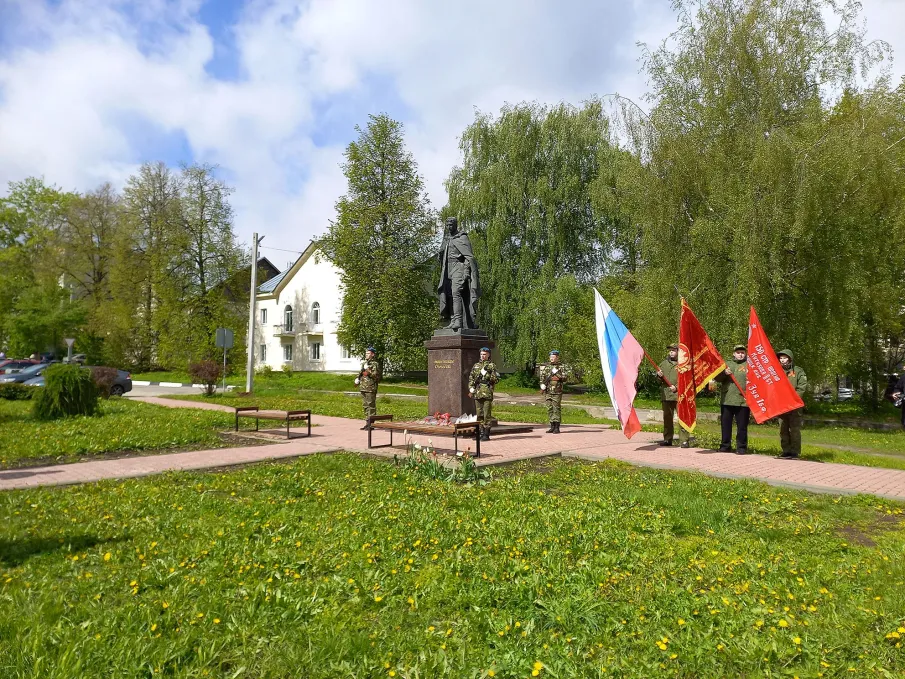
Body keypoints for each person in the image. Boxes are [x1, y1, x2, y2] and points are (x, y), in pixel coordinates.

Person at [437, 217, 481, 331]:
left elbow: (469, 257)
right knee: (450, 295)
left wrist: (466, 272)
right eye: (447, 225)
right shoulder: (448, 239)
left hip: (459, 267)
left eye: (451, 225)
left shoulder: (462, 237)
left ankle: (458, 320)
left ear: (456, 225)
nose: (449, 227)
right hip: (448, 269)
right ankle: (453, 319)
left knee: (456, 292)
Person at [711, 344, 750, 454]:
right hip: (727, 399)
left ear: (745, 354)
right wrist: (724, 373)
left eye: (742, 352)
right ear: (734, 354)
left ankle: (741, 447)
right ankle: (725, 446)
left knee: (742, 426)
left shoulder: (750, 365)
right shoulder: (726, 364)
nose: (740, 354)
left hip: (743, 401)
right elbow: (717, 378)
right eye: (738, 352)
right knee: (726, 425)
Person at [656, 344, 691, 447]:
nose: (671, 352)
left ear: (678, 352)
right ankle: (667, 439)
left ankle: (684, 440)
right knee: (667, 418)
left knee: (682, 418)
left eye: (673, 350)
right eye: (670, 350)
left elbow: (686, 380)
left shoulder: (683, 364)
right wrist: (659, 376)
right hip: (666, 395)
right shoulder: (663, 364)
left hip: (680, 396)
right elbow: (658, 380)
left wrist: (677, 387)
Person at [776, 349, 807, 459]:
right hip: (781, 406)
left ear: (790, 358)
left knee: (794, 429)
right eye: (781, 358)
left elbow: (802, 387)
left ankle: (795, 452)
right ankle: (786, 451)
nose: (783, 360)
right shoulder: (776, 371)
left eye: (785, 358)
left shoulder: (798, 371)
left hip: (794, 406)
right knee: (783, 429)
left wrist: (792, 400)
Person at [468, 347, 500, 441]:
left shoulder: (492, 366)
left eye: (485, 354)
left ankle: (486, 434)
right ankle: (480, 433)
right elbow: (471, 378)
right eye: (481, 354)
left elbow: (496, 379)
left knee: (487, 414)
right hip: (477, 393)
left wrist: (489, 374)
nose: (483, 356)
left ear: (488, 355)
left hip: (487, 393)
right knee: (479, 414)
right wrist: (471, 387)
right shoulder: (476, 366)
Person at [539, 350, 571, 434]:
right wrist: (542, 385)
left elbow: (564, 378)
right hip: (548, 391)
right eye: (550, 357)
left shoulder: (561, 367)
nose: (551, 359)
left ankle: (557, 427)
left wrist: (557, 373)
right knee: (549, 408)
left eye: (553, 357)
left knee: (556, 409)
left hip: (557, 391)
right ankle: (552, 426)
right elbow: (543, 377)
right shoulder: (547, 366)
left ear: (557, 357)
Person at [355, 347, 381, 430]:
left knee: (371, 405)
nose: (366, 355)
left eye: (368, 353)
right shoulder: (364, 363)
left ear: (372, 354)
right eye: (366, 353)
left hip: (371, 387)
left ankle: (371, 424)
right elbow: (361, 373)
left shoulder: (375, 364)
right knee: (365, 405)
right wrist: (357, 379)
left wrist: (368, 371)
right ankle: (367, 422)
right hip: (363, 387)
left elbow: (376, 376)